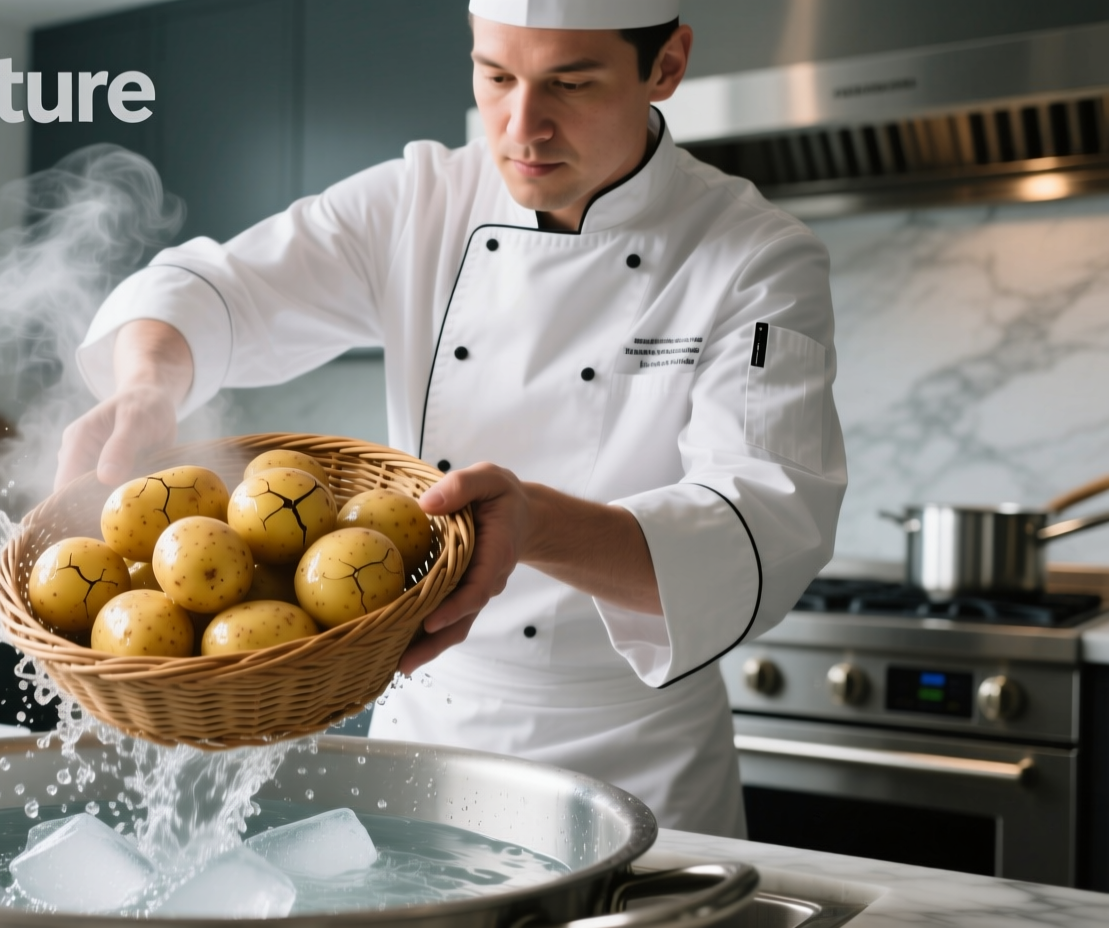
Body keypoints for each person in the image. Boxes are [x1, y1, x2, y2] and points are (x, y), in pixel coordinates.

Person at [55, 0, 845, 837]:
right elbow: (214, 287)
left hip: (639, 756)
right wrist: (148, 383)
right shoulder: (421, 200)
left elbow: (759, 526)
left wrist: (534, 524)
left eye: (571, 85)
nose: (522, 126)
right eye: (495, 76)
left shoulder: (756, 256)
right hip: (431, 735)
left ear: (667, 65)